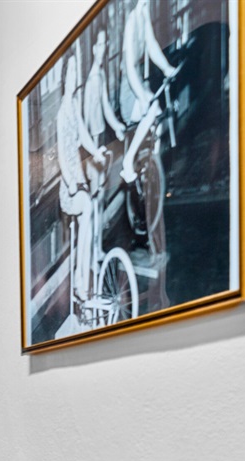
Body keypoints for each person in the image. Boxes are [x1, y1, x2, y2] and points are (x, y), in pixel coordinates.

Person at [56, 55, 108, 324]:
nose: (75, 74)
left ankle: (87, 270)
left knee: (93, 206)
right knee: (87, 207)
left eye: (78, 69)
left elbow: (85, 135)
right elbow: (63, 158)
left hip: (80, 181)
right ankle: (80, 283)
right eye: (72, 69)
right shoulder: (61, 113)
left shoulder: (74, 107)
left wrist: (95, 151)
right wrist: (72, 183)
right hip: (69, 189)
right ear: (65, 75)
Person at [119, 0, 178, 185]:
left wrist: (167, 68)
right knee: (152, 108)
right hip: (129, 92)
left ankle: (151, 164)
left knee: (158, 115)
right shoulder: (130, 21)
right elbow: (129, 67)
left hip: (139, 85)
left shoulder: (144, 13)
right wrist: (140, 96)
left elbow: (151, 45)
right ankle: (128, 161)